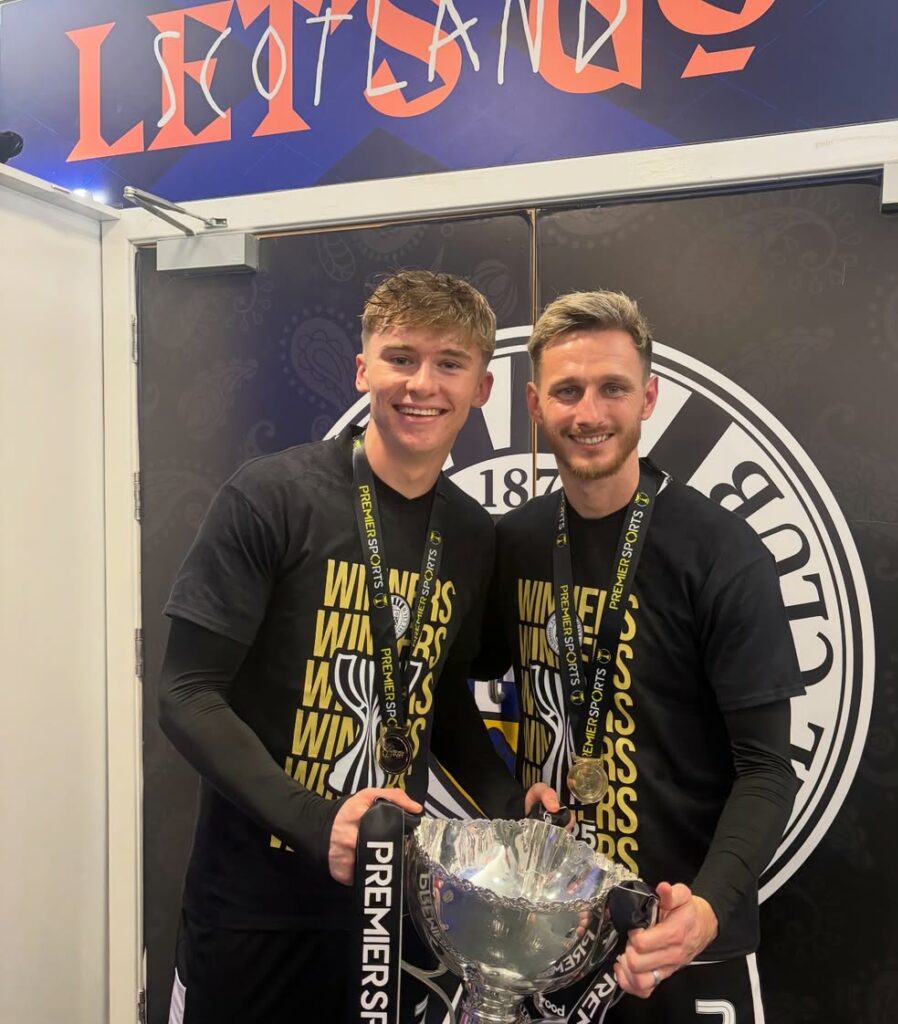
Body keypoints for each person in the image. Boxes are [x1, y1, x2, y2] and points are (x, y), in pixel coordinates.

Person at [158, 270, 545, 1023]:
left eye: (448, 363)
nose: (420, 384)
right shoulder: (272, 495)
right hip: (252, 908)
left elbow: (440, 706)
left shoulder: (471, 536)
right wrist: (314, 822)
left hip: (392, 909)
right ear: (363, 368)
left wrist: (509, 808)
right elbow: (185, 691)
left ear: (482, 388)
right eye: (400, 357)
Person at [479, 291, 804, 1023]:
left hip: (677, 942)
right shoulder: (516, 543)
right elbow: (442, 693)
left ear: (649, 395)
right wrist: (504, 801)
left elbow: (766, 768)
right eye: (567, 390)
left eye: (613, 388)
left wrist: (710, 908)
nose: (589, 413)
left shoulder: (720, 552)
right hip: (544, 934)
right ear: (535, 404)